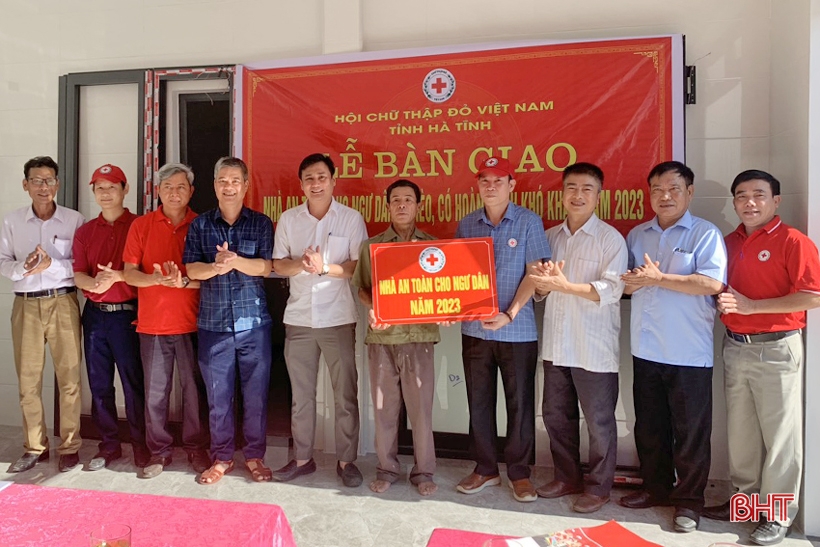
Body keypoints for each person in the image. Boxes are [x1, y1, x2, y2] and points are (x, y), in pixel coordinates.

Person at [702, 170, 820, 546]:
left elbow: (812, 296)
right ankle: (746, 505)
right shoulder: (729, 242)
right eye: (741, 196)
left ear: (776, 201)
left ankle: (779, 515)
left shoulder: (793, 241)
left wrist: (753, 307)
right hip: (736, 345)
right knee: (741, 434)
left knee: (781, 437)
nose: (749, 203)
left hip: (777, 348)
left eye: (758, 195)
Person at [618, 161, 727, 533]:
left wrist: (659, 278)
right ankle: (656, 489)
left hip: (688, 353)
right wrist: (630, 284)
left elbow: (711, 284)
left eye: (673, 189)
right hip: (646, 348)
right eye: (657, 190)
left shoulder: (705, 233)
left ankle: (689, 502)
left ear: (689, 192)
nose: (664, 196)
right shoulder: (637, 235)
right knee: (649, 428)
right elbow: (628, 287)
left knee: (691, 433)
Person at [529, 162, 627, 513]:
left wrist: (563, 285)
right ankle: (566, 477)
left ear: (599, 196)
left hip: (592, 347)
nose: (578, 195)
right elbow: (541, 292)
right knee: (556, 417)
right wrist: (541, 286)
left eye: (587, 189)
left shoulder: (610, 239)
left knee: (599, 423)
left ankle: (599, 488)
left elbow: (612, 290)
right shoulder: (550, 236)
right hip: (557, 345)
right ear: (562, 193)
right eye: (571, 187)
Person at [454, 156, 551, 503]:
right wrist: (453, 307)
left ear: (512, 185)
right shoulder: (467, 225)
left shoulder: (528, 222)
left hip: (517, 330)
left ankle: (520, 473)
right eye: (484, 179)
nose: (490, 185)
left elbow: (536, 273)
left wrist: (509, 314)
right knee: (478, 403)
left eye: (498, 180)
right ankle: (485, 468)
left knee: (520, 405)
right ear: (477, 185)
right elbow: (457, 277)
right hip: (475, 331)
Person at [271, 153, 368, 487]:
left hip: (338, 318)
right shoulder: (288, 219)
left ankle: (346, 461)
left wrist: (324, 267)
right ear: (301, 184)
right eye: (309, 178)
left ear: (333, 180)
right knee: (301, 395)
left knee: (345, 394)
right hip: (298, 319)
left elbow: (358, 268)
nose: (316, 184)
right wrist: (302, 263)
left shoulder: (351, 219)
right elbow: (277, 265)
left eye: (322, 177)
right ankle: (302, 458)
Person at [183, 157, 273, 485]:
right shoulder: (201, 225)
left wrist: (236, 261)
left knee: (256, 396)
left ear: (246, 185)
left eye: (235, 180)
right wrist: (215, 268)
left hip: (254, 324)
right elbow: (192, 269)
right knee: (218, 397)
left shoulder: (261, 223)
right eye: (222, 180)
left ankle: (254, 456)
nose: (229, 186)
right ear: (215, 185)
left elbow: (267, 267)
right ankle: (222, 457)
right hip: (213, 325)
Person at [352, 179, 440, 496]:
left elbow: (443, 292)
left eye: (408, 199)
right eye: (396, 200)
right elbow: (362, 288)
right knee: (384, 410)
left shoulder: (433, 249)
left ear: (418, 205)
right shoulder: (372, 247)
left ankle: (424, 471)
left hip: (419, 339)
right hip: (382, 340)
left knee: (421, 412)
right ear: (387, 206)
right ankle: (387, 468)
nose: (402, 205)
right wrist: (373, 305)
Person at [123, 163, 210, 479]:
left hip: (194, 324)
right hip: (153, 325)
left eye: (181, 186)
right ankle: (158, 452)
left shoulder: (201, 225)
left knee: (194, 392)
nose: (175, 192)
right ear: (158, 191)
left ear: (191, 191)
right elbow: (129, 273)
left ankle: (197, 448)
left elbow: (212, 275)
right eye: (168, 187)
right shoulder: (142, 226)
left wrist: (183, 281)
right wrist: (156, 279)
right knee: (155, 393)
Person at [0, 156, 85, 473]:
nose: (43, 186)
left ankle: (70, 446)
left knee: (70, 380)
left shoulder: (73, 220)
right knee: (28, 381)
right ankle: (35, 446)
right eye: (36, 180)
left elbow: (81, 265)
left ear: (58, 184)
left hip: (62, 302)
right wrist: (25, 266)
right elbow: (2, 263)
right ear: (25, 185)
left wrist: (53, 266)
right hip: (26, 305)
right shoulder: (12, 221)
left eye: (49, 180)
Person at [72, 164, 147, 471]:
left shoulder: (140, 226)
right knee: (100, 384)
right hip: (95, 317)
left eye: (111, 186)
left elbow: (144, 272)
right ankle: (109, 446)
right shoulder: (85, 231)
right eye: (99, 187)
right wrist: (94, 284)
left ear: (125, 189)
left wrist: (118, 279)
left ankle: (141, 445)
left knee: (133, 384)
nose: (105, 193)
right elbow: (78, 273)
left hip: (127, 316)